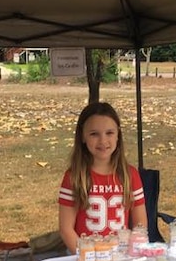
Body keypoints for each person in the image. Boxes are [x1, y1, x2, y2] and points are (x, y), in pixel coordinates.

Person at [59, 102, 148, 253]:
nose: (103, 141)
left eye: (109, 133)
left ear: (118, 135)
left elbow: (140, 224)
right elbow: (66, 229)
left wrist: (131, 252)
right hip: (85, 258)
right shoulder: (74, 177)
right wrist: (88, 257)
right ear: (83, 136)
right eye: (94, 134)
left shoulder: (130, 174)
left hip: (120, 256)